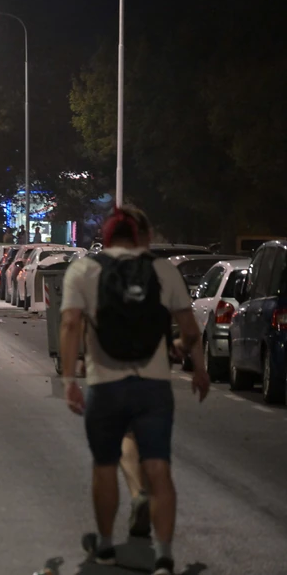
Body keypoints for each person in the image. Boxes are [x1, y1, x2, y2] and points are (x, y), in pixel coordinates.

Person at [59, 204, 210, 575]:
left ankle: (107, 547)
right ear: (141, 237)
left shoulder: (83, 269)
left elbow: (69, 325)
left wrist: (68, 381)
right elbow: (191, 331)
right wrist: (193, 364)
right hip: (153, 387)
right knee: (159, 468)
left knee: (105, 465)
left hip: (105, 385)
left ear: (107, 236)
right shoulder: (163, 270)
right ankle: (164, 557)